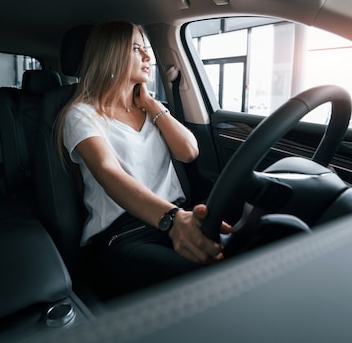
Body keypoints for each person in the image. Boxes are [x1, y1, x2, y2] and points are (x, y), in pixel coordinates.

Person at [56, 21, 232, 291]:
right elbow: (108, 172)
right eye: (137, 49)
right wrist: (172, 219)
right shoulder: (81, 114)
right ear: (110, 55)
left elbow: (189, 152)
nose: (148, 57)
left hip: (175, 216)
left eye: (147, 49)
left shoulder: (153, 109)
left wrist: (151, 105)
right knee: (211, 280)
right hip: (125, 233)